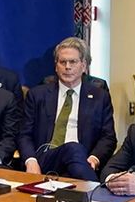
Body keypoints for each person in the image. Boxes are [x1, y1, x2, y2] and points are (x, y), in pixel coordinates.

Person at [18, 37, 116, 180]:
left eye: (73, 62)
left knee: (75, 151)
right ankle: (96, 191)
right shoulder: (37, 94)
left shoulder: (100, 97)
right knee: (73, 148)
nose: (67, 67)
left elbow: (108, 137)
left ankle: (89, 187)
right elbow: (24, 134)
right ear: (56, 66)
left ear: (84, 66)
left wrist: (94, 158)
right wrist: (31, 161)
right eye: (62, 62)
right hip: (45, 160)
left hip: (83, 161)